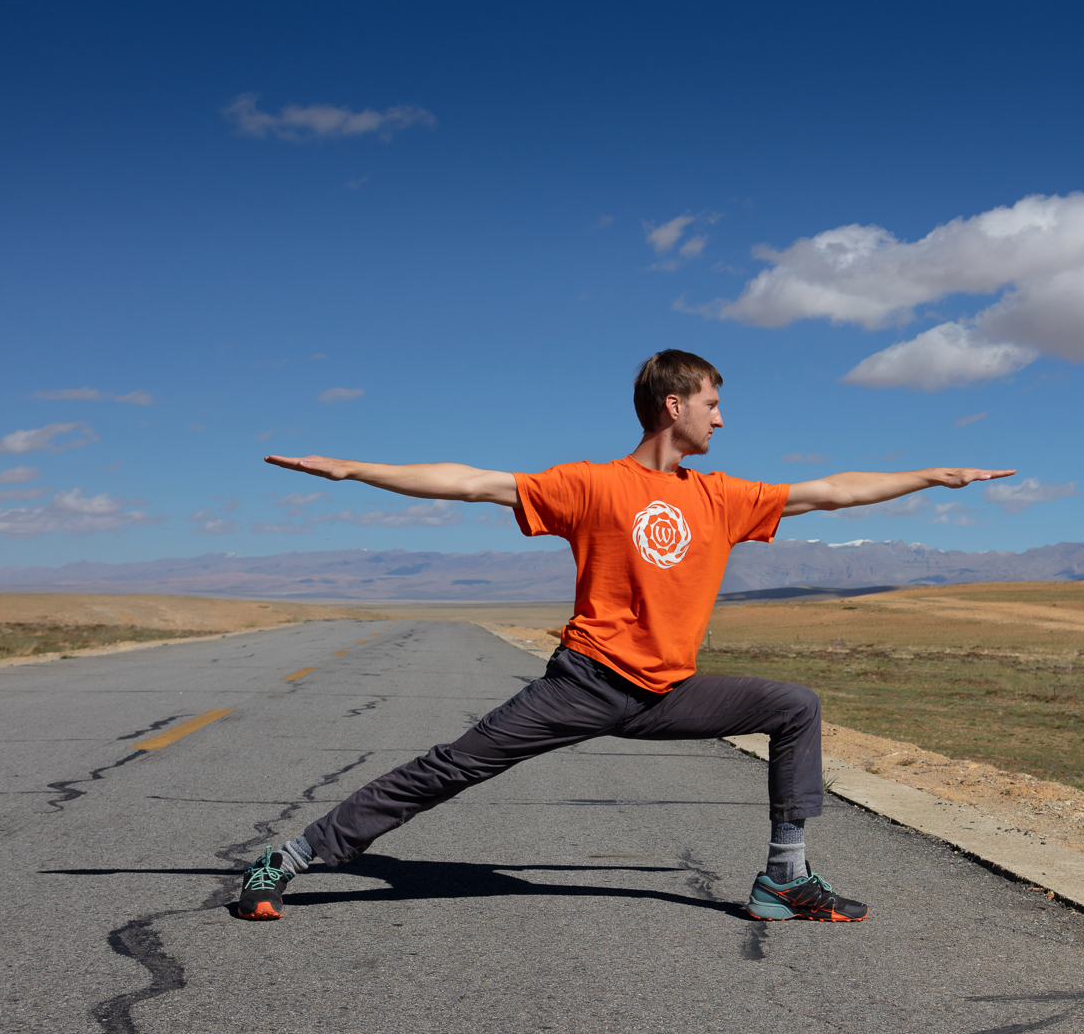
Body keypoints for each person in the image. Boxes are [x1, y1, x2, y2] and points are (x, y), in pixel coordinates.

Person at [239, 349, 1013, 923]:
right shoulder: (592, 484)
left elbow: (832, 492)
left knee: (793, 705)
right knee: (450, 769)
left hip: (667, 693)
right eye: (713, 403)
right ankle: (289, 858)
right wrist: (350, 470)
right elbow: (472, 481)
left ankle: (784, 878)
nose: (721, 418)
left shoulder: (723, 497)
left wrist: (931, 477)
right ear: (674, 405)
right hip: (585, 683)